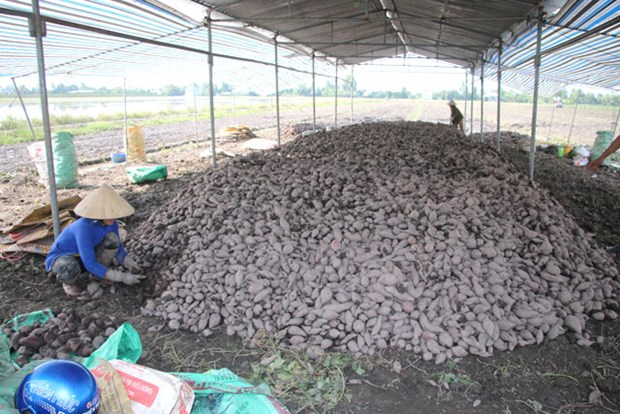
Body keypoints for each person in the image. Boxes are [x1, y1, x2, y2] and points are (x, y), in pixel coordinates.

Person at [45, 184, 144, 296]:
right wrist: (121, 277)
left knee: (113, 240)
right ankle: (69, 283)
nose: (113, 218)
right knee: (68, 267)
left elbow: (118, 247)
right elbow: (89, 262)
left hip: (88, 254)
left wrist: (128, 262)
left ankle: (98, 274)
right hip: (66, 257)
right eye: (108, 214)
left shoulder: (112, 223)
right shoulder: (84, 228)